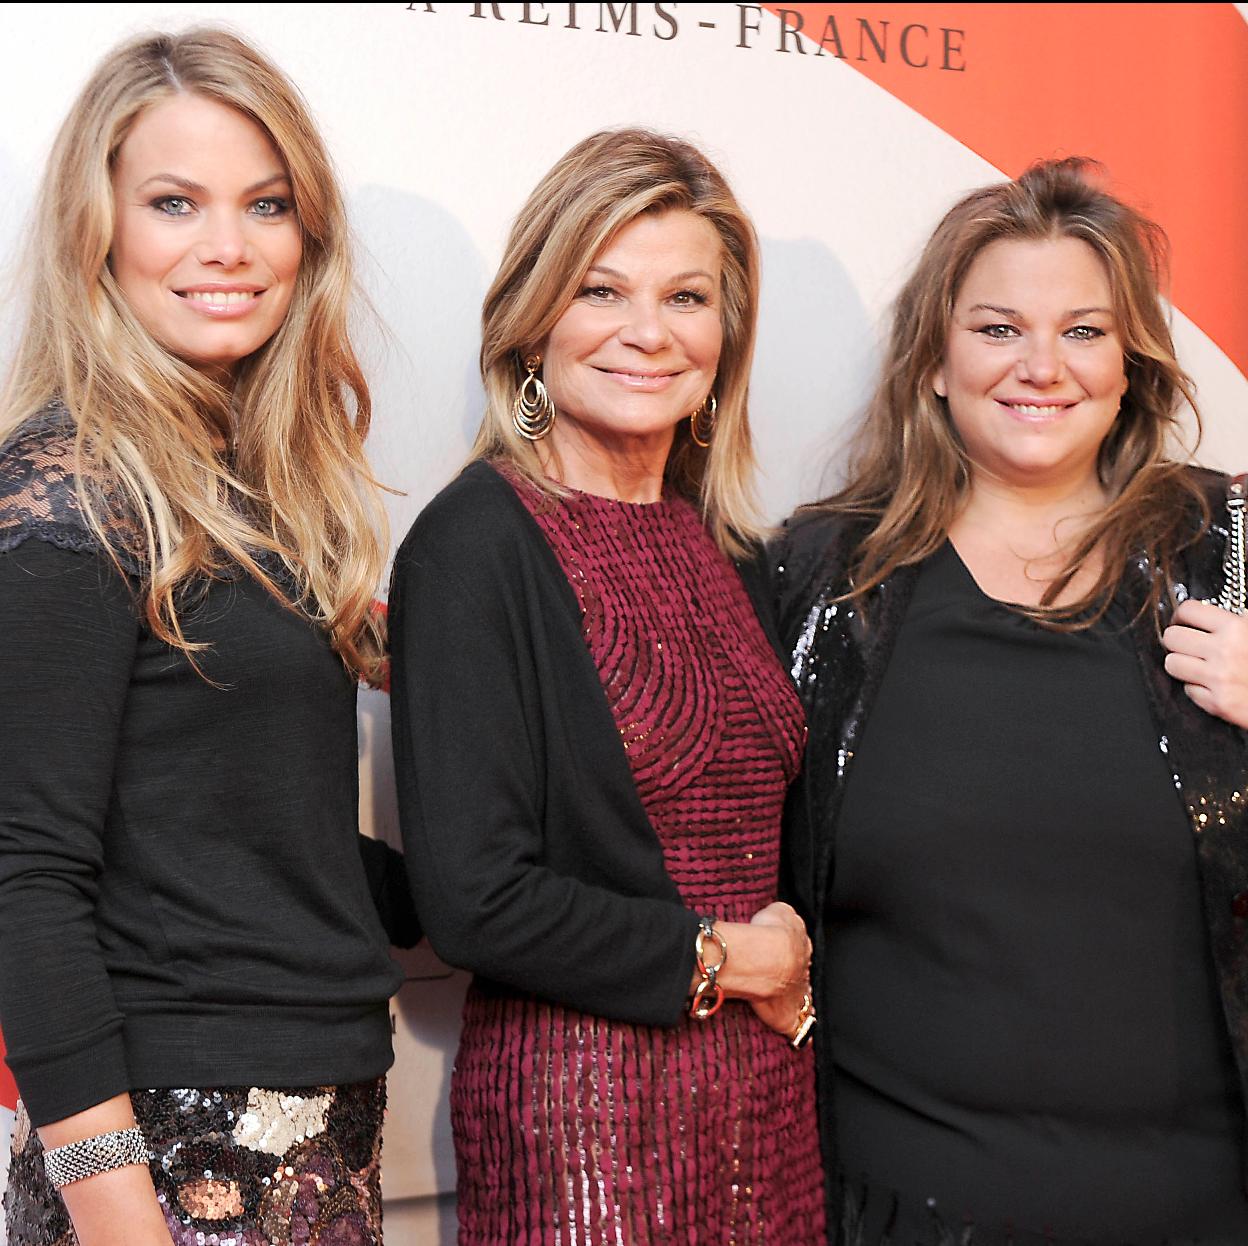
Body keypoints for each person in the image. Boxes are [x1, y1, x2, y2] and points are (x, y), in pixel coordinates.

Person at [772, 157, 1248, 1245]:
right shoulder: (820, 581)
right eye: (997, 330)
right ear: (934, 363)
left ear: (1131, 365)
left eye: (1083, 331)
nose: (1042, 366)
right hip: (902, 1213)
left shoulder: (1237, 553)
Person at [0, 29, 418, 1246]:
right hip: (169, 1142)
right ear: (100, 233)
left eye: (267, 204)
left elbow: (236, 824)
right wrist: (121, 1214)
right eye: (174, 203)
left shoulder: (268, 488)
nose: (228, 246)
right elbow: (23, 884)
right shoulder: (63, 499)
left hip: (321, 1108)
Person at [389, 127, 825, 1244]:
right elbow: (474, 896)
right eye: (601, 289)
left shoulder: (723, 546)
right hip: (583, 1121)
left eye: (686, 297)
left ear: (726, 338)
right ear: (537, 320)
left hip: (764, 1105)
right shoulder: (474, 542)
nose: (647, 332)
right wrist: (725, 959)